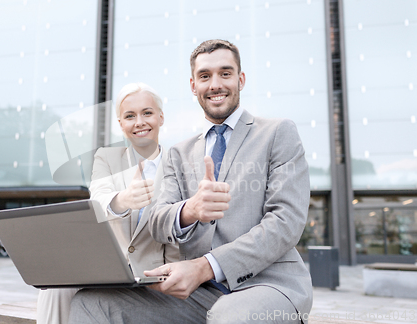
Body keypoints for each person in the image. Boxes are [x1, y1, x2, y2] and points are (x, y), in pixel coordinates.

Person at [69, 40, 313, 324]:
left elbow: (286, 222)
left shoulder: (277, 133)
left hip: (269, 284)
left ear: (240, 79)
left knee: (228, 317)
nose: (215, 84)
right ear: (193, 85)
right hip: (199, 294)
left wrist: (205, 267)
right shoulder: (179, 153)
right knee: (91, 303)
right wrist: (190, 210)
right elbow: (159, 219)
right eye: (205, 76)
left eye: (225, 73)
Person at [37, 82, 179, 324]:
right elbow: (98, 201)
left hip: (154, 276)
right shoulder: (106, 157)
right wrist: (124, 199)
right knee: (55, 287)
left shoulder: (180, 162)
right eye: (130, 116)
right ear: (121, 124)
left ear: (161, 117)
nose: (139, 122)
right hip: (109, 270)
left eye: (147, 113)